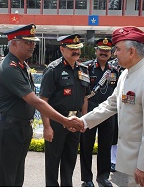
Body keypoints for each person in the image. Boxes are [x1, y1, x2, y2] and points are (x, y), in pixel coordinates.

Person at [77, 26, 144, 187]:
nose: (114, 53)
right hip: (133, 157)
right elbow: (111, 104)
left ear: (132, 51)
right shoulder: (126, 74)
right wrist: (84, 122)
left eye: (118, 49)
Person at [0, 24, 84, 187]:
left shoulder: (21, 65)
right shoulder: (9, 68)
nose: (32, 45)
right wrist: (65, 121)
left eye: (33, 42)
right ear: (13, 43)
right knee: (6, 179)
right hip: (8, 129)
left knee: (16, 178)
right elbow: (35, 100)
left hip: (19, 128)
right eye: (27, 42)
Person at [39, 34, 90, 187]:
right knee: (53, 161)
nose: (76, 52)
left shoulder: (83, 69)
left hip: (75, 122)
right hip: (57, 123)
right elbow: (43, 101)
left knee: (70, 159)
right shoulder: (53, 70)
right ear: (62, 49)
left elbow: (85, 98)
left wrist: (84, 120)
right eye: (72, 49)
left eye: (78, 49)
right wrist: (47, 127)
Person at [80, 38, 118, 187]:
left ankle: (103, 176)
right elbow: (84, 94)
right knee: (86, 146)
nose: (104, 52)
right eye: (101, 50)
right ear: (96, 51)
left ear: (111, 53)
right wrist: (83, 115)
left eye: (107, 50)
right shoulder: (87, 68)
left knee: (105, 146)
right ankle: (87, 179)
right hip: (90, 110)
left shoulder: (115, 70)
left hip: (108, 113)